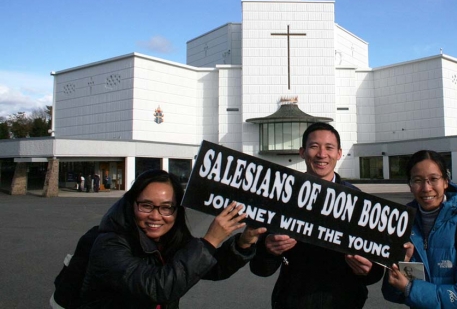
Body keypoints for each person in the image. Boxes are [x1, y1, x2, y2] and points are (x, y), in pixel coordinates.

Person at [78, 169, 266, 308]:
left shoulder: (168, 239)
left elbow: (207, 269)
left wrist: (243, 243)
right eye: (146, 205)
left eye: (167, 207)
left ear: (177, 211)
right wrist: (210, 241)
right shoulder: (109, 244)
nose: (156, 216)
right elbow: (157, 288)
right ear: (131, 204)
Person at [250, 122, 384, 309]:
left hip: (345, 302)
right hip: (291, 302)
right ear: (302, 152)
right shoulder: (281, 197)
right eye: (314, 146)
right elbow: (260, 269)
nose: (322, 154)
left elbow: (375, 267)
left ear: (339, 153)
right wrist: (268, 250)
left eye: (329, 147)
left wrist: (369, 270)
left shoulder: (359, 201)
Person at [382, 150, 457, 309]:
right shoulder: (402, 226)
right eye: (418, 180)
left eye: (433, 179)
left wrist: (410, 288)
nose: (426, 188)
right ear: (410, 185)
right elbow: (391, 293)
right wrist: (400, 264)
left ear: (445, 182)